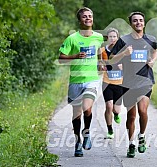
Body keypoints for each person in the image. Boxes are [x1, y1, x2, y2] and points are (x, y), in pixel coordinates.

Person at [110, 11, 157, 158]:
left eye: (141, 20)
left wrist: (153, 61)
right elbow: (111, 59)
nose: (138, 23)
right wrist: (123, 54)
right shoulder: (123, 40)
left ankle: (141, 136)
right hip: (128, 83)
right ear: (131, 23)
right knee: (131, 116)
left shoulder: (150, 39)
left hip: (145, 81)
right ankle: (131, 143)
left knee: (143, 111)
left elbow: (155, 51)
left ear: (144, 23)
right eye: (135, 21)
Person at [58, 7, 104, 157]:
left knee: (87, 108)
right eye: (85, 17)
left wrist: (101, 62)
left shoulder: (98, 37)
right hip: (75, 81)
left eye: (90, 16)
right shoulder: (72, 38)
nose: (88, 18)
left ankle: (87, 133)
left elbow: (100, 53)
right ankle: (78, 141)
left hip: (91, 80)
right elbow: (61, 58)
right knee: (76, 115)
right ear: (80, 20)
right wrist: (76, 56)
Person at [101, 28, 123, 139]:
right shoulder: (102, 51)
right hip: (107, 82)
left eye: (114, 37)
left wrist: (122, 67)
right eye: (110, 37)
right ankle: (110, 129)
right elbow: (99, 66)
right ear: (107, 38)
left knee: (116, 109)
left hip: (119, 83)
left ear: (117, 38)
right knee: (108, 106)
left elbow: (129, 65)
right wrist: (101, 67)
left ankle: (116, 114)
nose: (112, 39)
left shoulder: (122, 51)